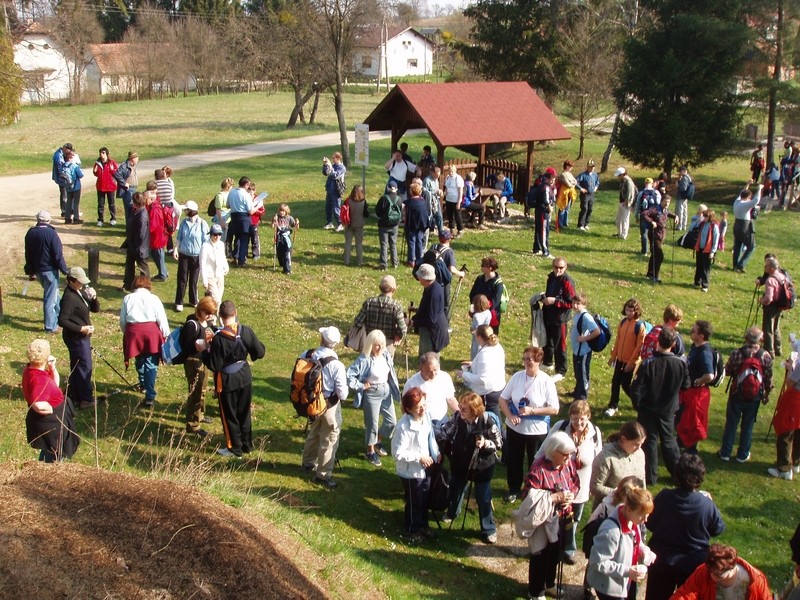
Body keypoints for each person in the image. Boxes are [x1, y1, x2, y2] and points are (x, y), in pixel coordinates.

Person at [645, 454, 725, 600]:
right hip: (692, 566)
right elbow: (717, 529)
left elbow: (649, 523)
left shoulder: (663, 497)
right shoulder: (706, 505)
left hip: (661, 561)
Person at [437, 392, 502, 544]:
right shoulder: (457, 417)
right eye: (460, 406)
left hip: (482, 467)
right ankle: (452, 513)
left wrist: (485, 443)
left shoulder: (487, 421)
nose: (460, 410)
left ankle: (489, 529)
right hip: (460, 463)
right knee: (455, 489)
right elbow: (445, 431)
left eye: (464, 408)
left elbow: (498, 444)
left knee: (483, 497)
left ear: (475, 410)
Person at [204, 300, 266, 458]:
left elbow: (214, 365)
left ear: (220, 316)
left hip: (227, 380)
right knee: (244, 412)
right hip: (244, 376)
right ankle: (247, 444)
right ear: (235, 313)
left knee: (229, 415)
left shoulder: (219, 339)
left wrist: (203, 350)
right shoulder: (246, 331)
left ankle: (234, 448)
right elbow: (259, 353)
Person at [522, 431, 580, 599]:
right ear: (554, 451)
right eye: (565, 454)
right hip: (544, 521)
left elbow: (575, 482)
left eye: (570, 454)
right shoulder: (539, 469)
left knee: (556, 553)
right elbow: (527, 496)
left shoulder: (568, 464)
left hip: (562, 517)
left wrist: (571, 497)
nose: (569, 458)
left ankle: (549, 584)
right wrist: (554, 497)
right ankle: (536, 591)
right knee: (541, 555)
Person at [499, 346, 559, 503]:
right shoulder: (517, 377)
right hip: (515, 427)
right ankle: (513, 489)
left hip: (536, 430)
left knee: (536, 460)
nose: (526, 362)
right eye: (524, 358)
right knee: (514, 459)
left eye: (529, 359)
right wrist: (510, 416)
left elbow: (554, 409)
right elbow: (502, 399)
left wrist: (533, 410)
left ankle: (534, 489)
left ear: (538, 361)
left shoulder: (546, 381)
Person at [632, 327, 690, 485]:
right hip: (669, 410)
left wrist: (638, 406)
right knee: (669, 442)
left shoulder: (648, 364)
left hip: (649, 409)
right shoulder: (681, 364)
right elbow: (686, 385)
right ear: (673, 344)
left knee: (649, 442)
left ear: (657, 342)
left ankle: (650, 476)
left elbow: (635, 389)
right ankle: (678, 475)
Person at [547, 400, 602, 565]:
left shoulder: (595, 433)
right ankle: (554, 546)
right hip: (560, 481)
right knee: (556, 516)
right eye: (575, 418)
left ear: (588, 417)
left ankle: (568, 549)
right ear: (570, 416)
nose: (579, 423)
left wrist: (594, 483)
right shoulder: (560, 427)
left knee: (574, 517)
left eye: (583, 419)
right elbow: (546, 448)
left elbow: (598, 459)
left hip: (582, 483)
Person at [587, 487, 656, 600]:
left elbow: (633, 541)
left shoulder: (632, 520)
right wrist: (628, 571)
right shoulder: (611, 531)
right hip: (608, 587)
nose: (646, 519)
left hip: (624, 580)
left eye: (647, 515)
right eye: (642, 515)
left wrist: (644, 550)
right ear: (628, 509)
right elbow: (597, 562)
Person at [301, 326, 348, 488]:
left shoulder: (307, 354)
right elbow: (343, 394)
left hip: (311, 403)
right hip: (329, 406)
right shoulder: (337, 365)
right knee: (329, 439)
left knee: (314, 433)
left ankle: (307, 463)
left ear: (321, 339)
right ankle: (322, 475)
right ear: (335, 344)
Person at [391, 387, 440, 543]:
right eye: (418, 408)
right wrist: (419, 457)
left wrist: (436, 453)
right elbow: (397, 453)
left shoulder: (425, 417)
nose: (423, 409)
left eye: (424, 405)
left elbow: (430, 437)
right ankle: (413, 529)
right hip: (410, 471)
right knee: (414, 501)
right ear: (408, 409)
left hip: (426, 467)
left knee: (425, 498)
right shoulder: (402, 427)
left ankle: (423, 525)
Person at [718, 326, 773, 463]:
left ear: (745, 338)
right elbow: (768, 377)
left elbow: (728, 370)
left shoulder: (737, 353)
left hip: (737, 394)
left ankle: (725, 452)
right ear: (761, 339)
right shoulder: (765, 356)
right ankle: (743, 454)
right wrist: (766, 394)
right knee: (748, 425)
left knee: (731, 423)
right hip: (755, 397)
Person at [347, 329, 400, 467]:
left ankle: (377, 441)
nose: (381, 347)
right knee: (372, 425)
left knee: (391, 422)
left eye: (382, 344)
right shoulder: (364, 359)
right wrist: (360, 385)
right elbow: (349, 375)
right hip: (372, 393)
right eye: (377, 345)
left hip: (386, 391)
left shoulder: (386, 355)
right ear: (370, 344)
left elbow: (391, 372)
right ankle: (370, 451)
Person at [22, 338, 80, 462]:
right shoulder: (39, 379)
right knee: (55, 454)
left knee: (49, 449)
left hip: (50, 421)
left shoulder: (32, 370)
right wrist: (50, 409)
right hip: (51, 422)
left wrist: (52, 368)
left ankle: (43, 468)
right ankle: (47, 478)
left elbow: (54, 384)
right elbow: (38, 404)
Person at [120, 275, 170, 409]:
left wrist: (127, 333)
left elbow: (123, 320)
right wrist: (166, 334)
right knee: (151, 363)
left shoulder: (127, 298)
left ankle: (145, 385)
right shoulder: (154, 299)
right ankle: (149, 393)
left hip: (134, 333)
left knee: (140, 359)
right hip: (150, 333)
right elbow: (161, 318)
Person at [57, 266, 100, 410]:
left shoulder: (79, 292)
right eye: (79, 282)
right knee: (84, 367)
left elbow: (95, 309)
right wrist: (81, 329)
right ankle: (86, 399)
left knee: (77, 365)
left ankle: (74, 394)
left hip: (82, 337)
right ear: (71, 281)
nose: (82, 284)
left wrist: (94, 298)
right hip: (76, 338)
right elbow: (62, 320)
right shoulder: (69, 297)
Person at [670, 543, 771, 600]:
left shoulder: (755, 580)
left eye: (718, 575)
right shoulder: (703, 572)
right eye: (711, 572)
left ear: (732, 568)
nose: (713, 577)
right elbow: (685, 594)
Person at [24, 210, 69, 334]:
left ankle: (62, 317)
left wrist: (30, 271)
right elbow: (57, 254)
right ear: (48, 221)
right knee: (50, 298)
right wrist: (65, 270)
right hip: (50, 270)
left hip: (38, 271)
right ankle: (50, 326)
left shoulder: (30, 233)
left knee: (54, 294)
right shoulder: (51, 234)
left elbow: (28, 253)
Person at [179, 296, 218, 437]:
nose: (210, 316)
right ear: (200, 310)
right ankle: (193, 425)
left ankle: (200, 415)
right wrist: (201, 343)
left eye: (212, 313)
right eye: (208, 313)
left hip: (203, 361)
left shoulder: (206, 322)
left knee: (202, 390)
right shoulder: (191, 324)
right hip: (193, 363)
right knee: (195, 393)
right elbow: (187, 347)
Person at [590, 421, 647, 510]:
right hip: (609, 510)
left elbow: (642, 481)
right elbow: (595, 487)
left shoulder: (640, 454)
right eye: (636, 444)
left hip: (633, 510)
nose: (639, 448)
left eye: (641, 444)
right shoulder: (606, 457)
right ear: (623, 439)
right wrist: (621, 493)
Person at [678, 320, 715, 454]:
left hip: (696, 395)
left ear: (702, 336)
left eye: (694, 330)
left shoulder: (704, 352)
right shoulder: (695, 346)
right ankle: (681, 443)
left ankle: (691, 451)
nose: (691, 331)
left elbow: (709, 375)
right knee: (683, 419)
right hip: (689, 393)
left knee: (693, 422)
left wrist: (697, 382)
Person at [605, 298, 646, 417]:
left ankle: (639, 402)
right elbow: (618, 340)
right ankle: (613, 405)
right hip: (620, 359)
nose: (628, 313)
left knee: (626, 384)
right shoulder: (622, 323)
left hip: (630, 361)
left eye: (631, 311)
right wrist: (613, 356)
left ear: (636, 311)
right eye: (627, 310)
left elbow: (639, 347)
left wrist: (631, 362)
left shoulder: (639, 326)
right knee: (615, 382)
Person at [457, 324, 506, 422]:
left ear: (479, 337)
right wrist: (474, 363)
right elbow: (492, 363)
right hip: (498, 388)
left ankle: (500, 436)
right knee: (491, 419)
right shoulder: (496, 346)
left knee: (491, 421)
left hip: (488, 393)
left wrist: (463, 375)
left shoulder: (485, 353)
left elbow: (482, 379)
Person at [768, 337, 800, 480]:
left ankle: (784, 468)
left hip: (795, 399)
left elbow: (790, 382)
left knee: (786, 431)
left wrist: (790, 367)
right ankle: (796, 463)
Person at [352, 275, 407, 357]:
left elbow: (358, 322)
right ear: (394, 289)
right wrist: (398, 336)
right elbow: (402, 329)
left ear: (379, 287)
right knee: (385, 367)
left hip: (370, 341)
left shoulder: (369, 302)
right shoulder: (396, 306)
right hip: (387, 343)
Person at [541, 256, 576, 382]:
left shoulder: (567, 281)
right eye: (556, 267)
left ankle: (561, 370)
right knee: (547, 339)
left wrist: (555, 301)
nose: (558, 270)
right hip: (548, 314)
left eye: (561, 268)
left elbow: (571, 302)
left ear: (565, 267)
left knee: (560, 344)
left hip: (560, 317)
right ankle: (547, 362)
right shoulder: (551, 277)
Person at [404, 352, 458, 430]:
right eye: (429, 371)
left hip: (442, 420)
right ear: (420, 368)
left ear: (439, 366)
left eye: (435, 370)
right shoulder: (411, 384)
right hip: (421, 423)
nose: (433, 374)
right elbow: (405, 407)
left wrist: (460, 414)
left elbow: (451, 399)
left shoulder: (445, 377)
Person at [173, 200, 210, 312]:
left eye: (187, 210)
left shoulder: (203, 224)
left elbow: (205, 241)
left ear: (192, 211)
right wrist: (176, 249)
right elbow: (179, 237)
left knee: (193, 280)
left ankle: (193, 300)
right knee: (182, 278)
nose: (185, 212)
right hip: (184, 254)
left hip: (196, 256)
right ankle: (179, 301)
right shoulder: (184, 222)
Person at [412, 263, 449, 357]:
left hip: (432, 333)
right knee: (424, 358)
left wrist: (413, 323)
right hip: (431, 330)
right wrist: (417, 310)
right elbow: (430, 309)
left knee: (429, 359)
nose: (418, 278)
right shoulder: (432, 287)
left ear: (425, 278)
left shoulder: (434, 293)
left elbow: (431, 320)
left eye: (419, 276)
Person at [570, 291, 601, 400]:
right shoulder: (577, 314)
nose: (575, 305)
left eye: (578, 303)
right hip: (576, 350)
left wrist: (584, 338)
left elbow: (597, 331)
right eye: (574, 303)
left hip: (583, 351)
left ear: (584, 304)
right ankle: (577, 391)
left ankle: (582, 398)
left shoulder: (586, 316)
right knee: (577, 373)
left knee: (582, 375)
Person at [642, 195, 678, 283]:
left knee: (654, 254)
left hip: (661, 235)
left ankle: (650, 273)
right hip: (654, 235)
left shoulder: (665, 210)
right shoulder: (655, 209)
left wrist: (675, 216)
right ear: (661, 201)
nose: (667, 203)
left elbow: (668, 213)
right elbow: (644, 214)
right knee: (659, 256)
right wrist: (651, 222)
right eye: (665, 201)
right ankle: (655, 276)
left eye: (668, 202)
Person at [759, 256, 788, 357]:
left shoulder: (770, 280)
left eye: (766, 266)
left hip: (771, 307)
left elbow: (768, 299)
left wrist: (761, 300)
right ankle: (778, 349)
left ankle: (769, 352)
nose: (765, 267)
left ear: (771, 268)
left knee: (767, 329)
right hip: (780, 306)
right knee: (776, 328)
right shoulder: (782, 276)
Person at [732, 180, 762, 273]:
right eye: (749, 197)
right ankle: (741, 264)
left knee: (737, 246)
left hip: (736, 225)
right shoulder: (745, 205)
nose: (750, 198)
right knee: (752, 246)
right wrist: (759, 189)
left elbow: (742, 192)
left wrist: (748, 184)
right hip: (744, 226)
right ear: (748, 197)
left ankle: (735, 265)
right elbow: (756, 200)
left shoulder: (737, 202)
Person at [469, 257, 505, 334]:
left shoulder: (498, 283)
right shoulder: (480, 278)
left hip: (491, 315)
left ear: (490, 268)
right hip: (478, 311)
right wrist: (474, 306)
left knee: (490, 336)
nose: (481, 267)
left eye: (483, 265)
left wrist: (483, 309)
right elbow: (472, 294)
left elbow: (495, 301)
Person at [122, 192, 150, 293]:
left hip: (139, 247)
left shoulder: (142, 215)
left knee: (143, 268)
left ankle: (145, 287)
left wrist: (135, 246)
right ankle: (128, 284)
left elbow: (141, 235)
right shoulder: (137, 211)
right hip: (133, 245)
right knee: (129, 265)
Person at [227, 176, 256, 267]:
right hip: (244, 218)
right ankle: (241, 260)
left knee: (237, 237)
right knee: (244, 239)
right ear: (246, 184)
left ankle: (236, 256)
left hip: (234, 217)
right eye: (249, 185)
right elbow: (250, 211)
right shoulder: (245, 194)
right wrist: (258, 207)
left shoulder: (232, 192)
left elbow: (228, 205)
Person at [375, 182, 403, 270]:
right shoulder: (399, 199)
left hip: (383, 225)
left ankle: (384, 264)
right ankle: (395, 263)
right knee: (393, 244)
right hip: (395, 225)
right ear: (396, 189)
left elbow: (377, 211)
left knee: (384, 244)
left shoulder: (384, 198)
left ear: (388, 187)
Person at [199, 223, 229, 306]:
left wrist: (226, 267)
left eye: (219, 234)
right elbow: (202, 264)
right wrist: (204, 280)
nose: (217, 237)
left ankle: (211, 317)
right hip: (210, 276)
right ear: (211, 234)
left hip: (220, 276)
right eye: (215, 234)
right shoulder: (205, 246)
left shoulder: (221, 244)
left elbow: (223, 257)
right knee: (217, 301)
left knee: (216, 300)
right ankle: (221, 317)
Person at [146, 181, 169, 282]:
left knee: (159, 256)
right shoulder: (155, 206)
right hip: (157, 237)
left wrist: (146, 230)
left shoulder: (155, 209)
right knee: (158, 256)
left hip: (157, 238)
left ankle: (163, 274)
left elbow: (154, 225)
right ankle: (164, 271)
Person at [403, 181, 430, 268]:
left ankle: (411, 260)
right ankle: (419, 260)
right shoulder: (422, 201)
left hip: (411, 224)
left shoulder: (409, 202)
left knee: (411, 241)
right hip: (422, 224)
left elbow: (402, 206)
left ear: (411, 191)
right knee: (419, 240)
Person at [693, 209, 719, 293]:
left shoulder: (714, 226)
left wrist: (713, 251)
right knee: (699, 266)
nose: (704, 218)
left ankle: (705, 285)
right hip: (700, 248)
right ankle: (697, 282)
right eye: (703, 216)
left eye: (706, 216)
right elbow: (691, 228)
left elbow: (716, 239)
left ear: (710, 217)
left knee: (706, 268)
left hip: (708, 250)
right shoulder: (702, 224)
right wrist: (698, 220)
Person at [343, 184, 368, 267]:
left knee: (348, 243)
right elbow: (366, 214)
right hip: (359, 225)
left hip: (349, 224)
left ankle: (346, 261)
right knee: (359, 244)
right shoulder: (364, 202)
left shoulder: (348, 200)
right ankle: (360, 262)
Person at [636, 177, 661, 255]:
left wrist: (636, 216)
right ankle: (652, 250)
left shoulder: (641, 193)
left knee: (644, 233)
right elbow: (659, 204)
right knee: (653, 234)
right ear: (652, 184)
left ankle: (644, 251)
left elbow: (637, 205)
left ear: (645, 183)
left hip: (644, 215)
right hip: (653, 216)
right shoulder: (656, 193)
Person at [93, 147, 118, 227]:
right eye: (100, 153)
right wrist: (95, 171)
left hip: (110, 186)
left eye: (103, 153)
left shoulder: (112, 162)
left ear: (107, 154)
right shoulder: (97, 163)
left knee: (111, 203)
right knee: (101, 204)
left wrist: (112, 170)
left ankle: (113, 218)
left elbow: (116, 173)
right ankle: (100, 220)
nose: (101, 154)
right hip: (100, 186)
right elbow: (96, 174)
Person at [272, 203, 299, 275]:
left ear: (286, 211)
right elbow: (272, 226)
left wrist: (297, 224)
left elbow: (294, 226)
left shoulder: (289, 218)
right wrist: (274, 222)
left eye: (283, 211)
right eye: (280, 211)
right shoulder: (277, 217)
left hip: (286, 237)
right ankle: (282, 263)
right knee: (279, 252)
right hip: (278, 236)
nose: (281, 212)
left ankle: (287, 269)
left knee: (287, 252)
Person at [322, 152, 347, 231]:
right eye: (332, 158)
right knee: (328, 207)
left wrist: (330, 166)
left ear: (338, 158)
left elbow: (335, 176)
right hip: (329, 189)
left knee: (336, 208)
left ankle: (340, 224)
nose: (332, 160)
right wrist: (325, 165)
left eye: (334, 158)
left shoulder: (342, 168)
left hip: (336, 190)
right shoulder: (333, 165)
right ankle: (329, 222)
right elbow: (325, 173)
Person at [114, 151, 139, 222]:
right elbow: (117, 174)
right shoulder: (124, 166)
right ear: (132, 158)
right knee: (129, 210)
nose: (138, 160)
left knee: (134, 209)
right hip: (128, 190)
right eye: (137, 158)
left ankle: (131, 228)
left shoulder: (133, 165)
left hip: (134, 189)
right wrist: (124, 183)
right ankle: (129, 230)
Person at [61, 148, 84, 224]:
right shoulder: (74, 166)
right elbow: (81, 175)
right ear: (70, 158)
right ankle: (76, 218)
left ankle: (67, 218)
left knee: (68, 202)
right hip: (76, 186)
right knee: (76, 203)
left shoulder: (63, 166)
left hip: (67, 186)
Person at [213, 177, 235, 257]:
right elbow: (218, 210)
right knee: (221, 238)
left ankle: (226, 253)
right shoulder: (220, 196)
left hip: (228, 218)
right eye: (231, 186)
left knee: (226, 238)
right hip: (222, 219)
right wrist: (222, 222)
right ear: (228, 186)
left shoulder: (229, 194)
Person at [576, 159, 600, 231]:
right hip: (585, 194)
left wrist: (596, 187)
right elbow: (576, 182)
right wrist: (581, 188)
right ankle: (580, 224)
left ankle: (586, 223)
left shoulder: (595, 175)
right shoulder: (583, 175)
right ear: (587, 167)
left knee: (590, 209)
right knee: (584, 208)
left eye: (593, 167)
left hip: (591, 194)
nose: (592, 168)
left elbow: (597, 182)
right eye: (590, 167)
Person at [614, 167, 636, 240]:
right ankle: (619, 233)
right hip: (622, 202)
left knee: (625, 219)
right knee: (618, 219)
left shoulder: (628, 182)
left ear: (623, 174)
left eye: (619, 175)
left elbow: (630, 193)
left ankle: (623, 235)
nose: (618, 177)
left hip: (626, 203)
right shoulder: (623, 181)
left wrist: (626, 202)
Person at [52, 143, 73, 219]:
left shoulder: (61, 154)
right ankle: (64, 211)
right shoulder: (58, 155)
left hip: (63, 177)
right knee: (64, 195)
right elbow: (59, 169)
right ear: (65, 148)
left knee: (66, 194)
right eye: (68, 150)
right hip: (62, 178)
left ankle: (68, 210)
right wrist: (66, 177)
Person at [443, 164, 465, 236]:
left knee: (457, 215)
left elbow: (460, 191)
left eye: (452, 171)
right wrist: (444, 193)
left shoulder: (458, 178)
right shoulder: (448, 177)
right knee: (450, 215)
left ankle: (460, 230)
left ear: (455, 171)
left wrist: (459, 202)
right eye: (449, 171)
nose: (450, 173)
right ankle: (451, 229)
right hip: (449, 199)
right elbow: (446, 188)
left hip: (456, 200)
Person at [468, 295, 492, 360]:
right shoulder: (488, 312)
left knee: (475, 354)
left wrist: (471, 329)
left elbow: (475, 329)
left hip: (478, 338)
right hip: (486, 334)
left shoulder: (477, 316)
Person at [246, 180, 265, 260]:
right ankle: (244, 252)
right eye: (248, 191)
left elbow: (262, 211)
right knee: (245, 237)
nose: (250, 193)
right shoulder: (245, 198)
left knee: (255, 237)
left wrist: (255, 210)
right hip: (246, 221)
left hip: (254, 222)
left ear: (254, 191)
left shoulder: (258, 200)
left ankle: (256, 253)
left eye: (252, 191)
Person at [556, 160, 578, 228]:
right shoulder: (563, 174)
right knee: (562, 207)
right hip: (564, 193)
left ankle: (565, 222)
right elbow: (568, 184)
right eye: (571, 166)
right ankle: (560, 223)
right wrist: (572, 183)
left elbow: (575, 181)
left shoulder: (570, 174)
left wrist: (572, 182)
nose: (572, 168)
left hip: (570, 194)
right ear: (567, 166)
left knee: (567, 208)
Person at [675, 166, 693, 231]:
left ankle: (679, 226)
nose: (679, 172)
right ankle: (684, 226)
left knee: (680, 211)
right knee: (684, 211)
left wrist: (678, 185)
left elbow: (683, 188)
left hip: (681, 197)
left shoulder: (685, 178)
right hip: (685, 197)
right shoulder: (688, 177)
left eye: (680, 171)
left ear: (684, 171)